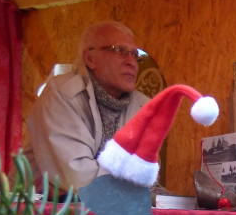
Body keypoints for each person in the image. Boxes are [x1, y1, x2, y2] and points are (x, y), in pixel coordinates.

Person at [24, 20, 150, 191]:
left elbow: (145, 174)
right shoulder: (62, 93)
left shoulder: (143, 106)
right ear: (90, 59)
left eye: (135, 55)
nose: (132, 62)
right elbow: (77, 178)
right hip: (40, 211)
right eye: (119, 51)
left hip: (110, 208)